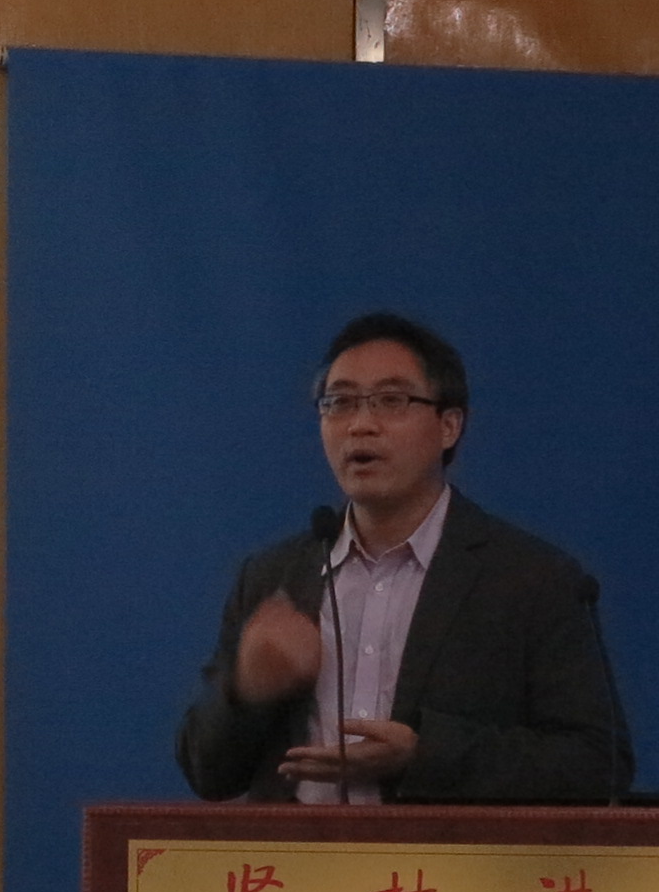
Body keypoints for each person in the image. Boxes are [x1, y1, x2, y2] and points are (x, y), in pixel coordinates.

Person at [173, 311, 634, 804]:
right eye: (339, 403)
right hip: (294, 856)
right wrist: (246, 690)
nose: (361, 425)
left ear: (449, 425)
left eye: (391, 401)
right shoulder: (274, 576)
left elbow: (596, 766)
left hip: (444, 857)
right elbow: (207, 773)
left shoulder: (531, 579)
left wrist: (424, 756)